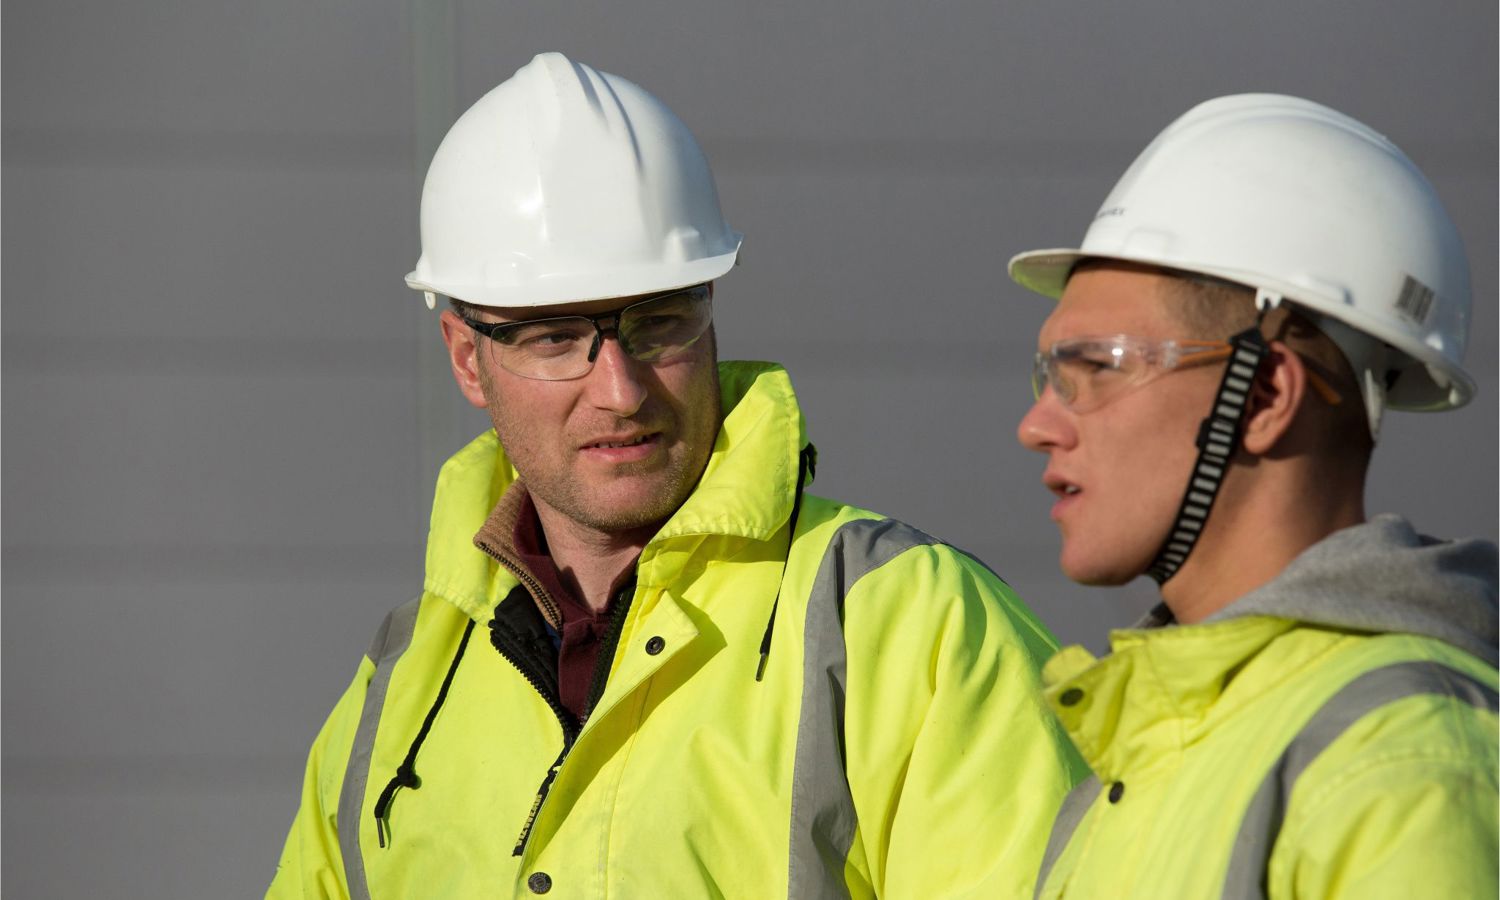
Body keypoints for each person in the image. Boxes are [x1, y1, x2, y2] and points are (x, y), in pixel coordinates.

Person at [268, 51, 1082, 899]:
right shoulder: (401, 686)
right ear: (467, 360)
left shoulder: (906, 622)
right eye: (553, 338)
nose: (622, 392)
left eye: (660, 322)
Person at [1010, 93, 1498, 898]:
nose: (1037, 425)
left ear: (1267, 393)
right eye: (1049, 375)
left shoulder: (1403, 763)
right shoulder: (1121, 776)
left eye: (1098, 365)